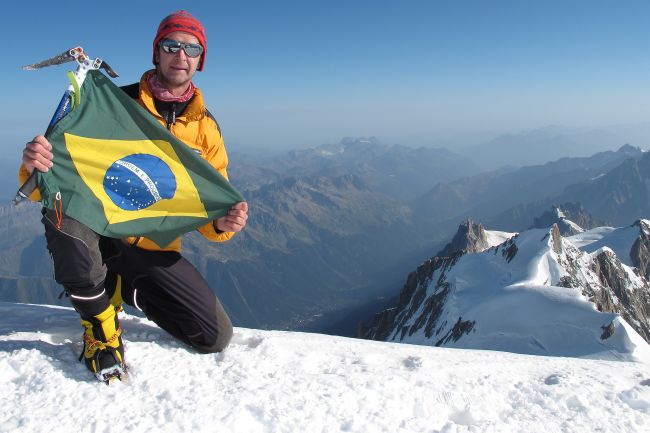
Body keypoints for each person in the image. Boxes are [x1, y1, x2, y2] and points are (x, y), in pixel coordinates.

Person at [19, 10, 248, 382]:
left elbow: (206, 205)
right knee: (61, 212)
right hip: (104, 230)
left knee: (213, 336)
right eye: (170, 45)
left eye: (191, 48)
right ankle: (100, 327)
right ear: (156, 53)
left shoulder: (206, 130)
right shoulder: (113, 105)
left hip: (154, 248)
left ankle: (133, 289)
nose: (181, 55)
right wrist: (35, 163)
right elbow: (62, 172)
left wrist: (221, 223)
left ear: (200, 61)